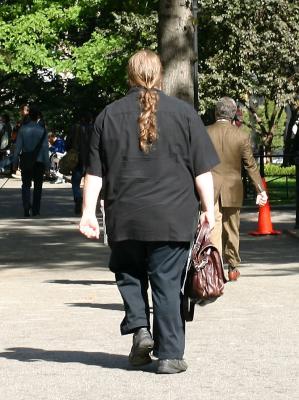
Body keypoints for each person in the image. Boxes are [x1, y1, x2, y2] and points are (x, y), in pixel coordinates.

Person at [79, 49, 219, 374]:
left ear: (129, 76)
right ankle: (170, 355)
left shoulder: (108, 116)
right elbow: (202, 172)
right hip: (172, 216)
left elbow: (94, 174)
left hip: (124, 215)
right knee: (167, 282)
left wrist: (88, 213)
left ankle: (140, 329)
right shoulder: (183, 114)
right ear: (159, 75)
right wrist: (209, 210)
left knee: (129, 273)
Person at [206, 97, 268, 281]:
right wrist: (260, 190)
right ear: (233, 114)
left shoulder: (204, 132)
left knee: (213, 228)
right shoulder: (242, 136)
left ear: (216, 113)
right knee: (232, 228)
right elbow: (251, 166)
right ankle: (232, 268)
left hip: (210, 188)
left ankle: (215, 270)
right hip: (233, 188)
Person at [12, 106, 49, 217]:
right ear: (38, 116)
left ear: (29, 115)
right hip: (39, 162)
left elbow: (17, 148)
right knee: (38, 186)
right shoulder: (42, 131)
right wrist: (47, 166)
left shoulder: (23, 129)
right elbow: (45, 150)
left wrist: (14, 163)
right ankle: (36, 209)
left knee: (26, 185)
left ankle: (26, 206)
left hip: (26, 160)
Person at [65, 113, 93, 214]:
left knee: (75, 183)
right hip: (91, 160)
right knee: (89, 183)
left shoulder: (75, 128)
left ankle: (78, 197)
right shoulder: (94, 129)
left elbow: (67, 144)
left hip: (77, 159)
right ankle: (87, 205)